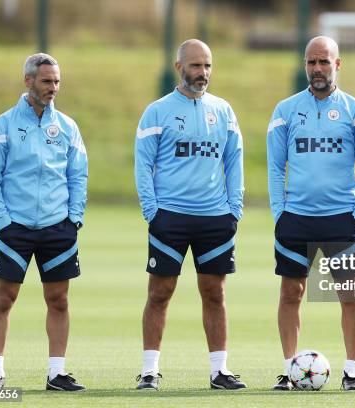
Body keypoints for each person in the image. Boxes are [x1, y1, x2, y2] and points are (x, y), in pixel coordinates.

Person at [134, 39, 246, 391]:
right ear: (178, 67)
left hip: (215, 218)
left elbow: (234, 160)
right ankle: (149, 371)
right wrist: (152, 211)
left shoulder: (223, 110)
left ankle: (219, 371)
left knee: (215, 293)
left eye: (208, 66)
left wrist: (234, 208)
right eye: (196, 66)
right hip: (170, 218)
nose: (203, 73)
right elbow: (143, 163)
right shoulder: (157, 111)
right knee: (160, 292)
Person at [267, 36, 355, 391]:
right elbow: (275, 165)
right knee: (291, 293)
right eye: (312, 62)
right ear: (305, 65)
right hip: (295, 218)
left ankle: (352, 371)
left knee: (349, 294)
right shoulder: (285, 110)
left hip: (340, 218)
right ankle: (289, 369)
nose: (317, 69)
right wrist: (279, 212)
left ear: (338, 64)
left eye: (324, 62)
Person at [0, 53, 88, 391]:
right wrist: (3, 222)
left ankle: (56, 373)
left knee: (59, 300)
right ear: (28, 81)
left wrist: (74, 220)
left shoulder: (67, 127)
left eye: (56, 81)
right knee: (3, 299)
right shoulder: (4, 124)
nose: (53, 87)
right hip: (16, 228)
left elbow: (78, 175)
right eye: (46, 81)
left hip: (58, 227)